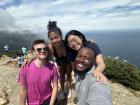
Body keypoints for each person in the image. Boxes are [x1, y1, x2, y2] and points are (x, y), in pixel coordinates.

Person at [18, 39, 59, 105]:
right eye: (39, 49)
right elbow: (23, 89)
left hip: (49, 99)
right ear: (33, 52)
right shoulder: (25, 68)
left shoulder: (52, 68)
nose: (42, 51)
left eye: (45, 49)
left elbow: (55, 87)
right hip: (33, 102)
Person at [47, 21, 72, 99]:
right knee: (61, 76)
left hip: (68, 61)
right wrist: (32, 58)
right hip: (60, 62)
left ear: (61, 36)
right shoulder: (51, 47)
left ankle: (69, 89)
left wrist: (89, 43)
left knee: (68, 75)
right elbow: (43, 55)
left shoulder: (67, 44)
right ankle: (63, 89)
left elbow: (78, 45)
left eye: (56, 37)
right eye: (52, 39)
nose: (55, 40)